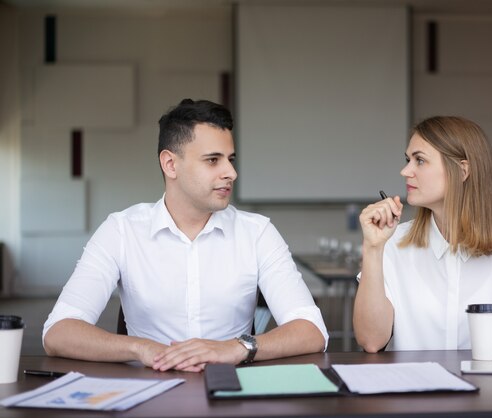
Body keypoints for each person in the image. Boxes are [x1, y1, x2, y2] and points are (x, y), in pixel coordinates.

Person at [43, 99, 328, 371]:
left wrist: (236, 348)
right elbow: (58, 332)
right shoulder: (121, 230)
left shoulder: (257, 232)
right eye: (213, 160)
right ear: (170, 164)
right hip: (147, 390)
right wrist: (142, 349)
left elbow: (311, 330)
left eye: (230, 159)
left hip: (231, 391)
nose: (231, 172)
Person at [353, 116, 492, 353]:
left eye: (420, 161)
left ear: (462, 170)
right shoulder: (392, 244)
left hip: (489, 390)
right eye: (408, 160)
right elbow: (371, 341)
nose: (405, 171)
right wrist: (373, 249)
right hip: (410, 388)